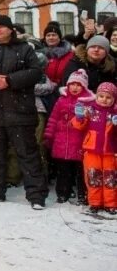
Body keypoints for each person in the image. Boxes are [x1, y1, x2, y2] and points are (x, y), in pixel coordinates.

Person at [0, 14, 48, 209]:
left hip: (19, 111)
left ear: (10, 29)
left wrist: (10, 80)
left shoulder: (24, 49)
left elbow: (35, 72)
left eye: (2, 27)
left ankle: (36, 196)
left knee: (28, 154)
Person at [43, 69, 94, 204]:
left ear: (84, 87)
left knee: (80, 171)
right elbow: (53, 118)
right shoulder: (61, 100)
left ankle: (82, 194)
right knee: (63, 170)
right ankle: (63, 193)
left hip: (79, 141)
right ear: (68, 85)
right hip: (62, 142)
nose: (75, 87)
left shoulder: (88, 102)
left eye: (79, 85)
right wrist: (49, 135)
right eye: (73, 84)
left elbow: (90, 123)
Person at [71, 82, 117, 214]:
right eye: (101, 96)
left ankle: (111, 203)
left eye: (108, 97)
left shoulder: (114, 113)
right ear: (96, 96)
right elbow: (78, 126)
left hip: (110, 151)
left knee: (110, 178)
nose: (104, 99)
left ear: (114, 99)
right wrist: (79, 117)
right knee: (93, 177)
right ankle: (95, 202)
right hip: (91, 151)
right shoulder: (90, 110)